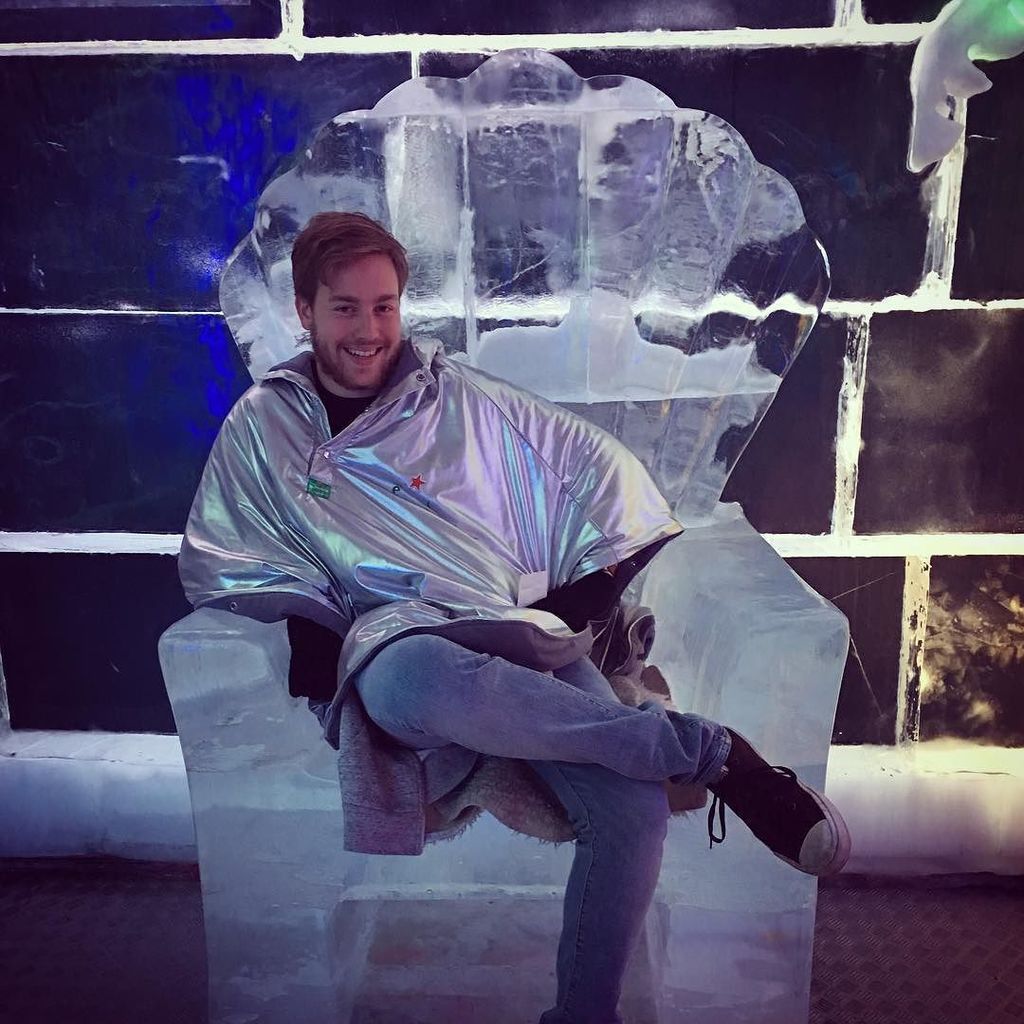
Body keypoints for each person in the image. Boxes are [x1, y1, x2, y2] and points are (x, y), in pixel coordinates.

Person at [179, 211, 851, 1024]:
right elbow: (237, 551)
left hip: (512, 633)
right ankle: (709, 752)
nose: (369, 330)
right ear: (304, 310)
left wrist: (571, 604)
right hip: (395, 650)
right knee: (420, 675)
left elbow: (593, 470)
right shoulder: (264, 426)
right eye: (345, 307)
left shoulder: (454, 397)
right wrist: (315, 630)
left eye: (384, 306)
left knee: (633, 810)